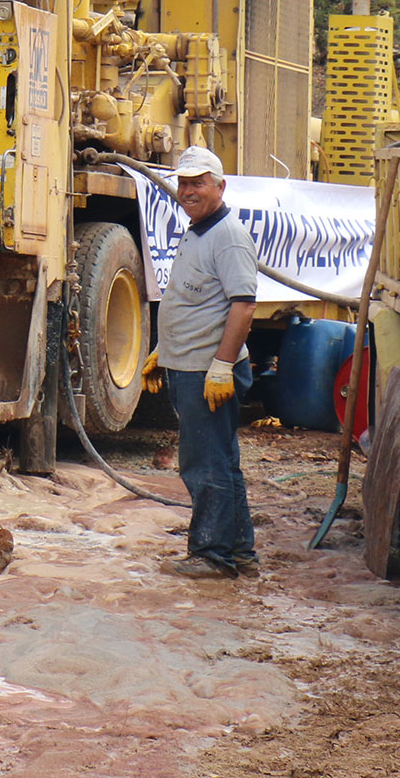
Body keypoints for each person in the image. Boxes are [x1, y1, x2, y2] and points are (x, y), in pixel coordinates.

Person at [142, 144, 260, 578]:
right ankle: (240, 553)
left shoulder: (228, 237)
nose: (188, 191)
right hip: (189, 363)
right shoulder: (199, 229)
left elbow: (243, 305)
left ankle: (212, 555)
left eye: (198, 183)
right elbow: (195, 302)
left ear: (220, 186)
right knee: (222, 461)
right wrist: (164, 351)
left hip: (207, 372)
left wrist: (222, 365)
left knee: (204, 464)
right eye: (184, 183)